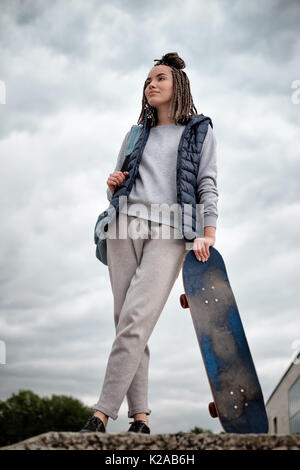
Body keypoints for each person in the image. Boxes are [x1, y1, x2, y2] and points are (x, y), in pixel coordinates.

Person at [80, 52, 218, 434]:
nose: (151, 85)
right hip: (124, 226)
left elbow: (206, 183)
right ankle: (140, 418)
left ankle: (101, 413)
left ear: (178, 86)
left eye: (159, 78)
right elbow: (118, 186)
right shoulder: (135, 133)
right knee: (126, 322)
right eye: (147, 81)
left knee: (137, 319)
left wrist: (209, 231)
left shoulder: (199, 131)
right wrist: (111, 185)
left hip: (171, 233)